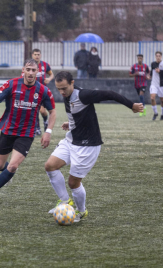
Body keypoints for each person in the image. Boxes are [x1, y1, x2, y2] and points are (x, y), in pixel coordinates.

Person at [45, 71, 143, 222]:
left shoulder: (84, 95)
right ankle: (65, 201)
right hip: (72, 139)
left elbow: (110, 93)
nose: (61, 92)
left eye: (64, 88)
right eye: (58, 89)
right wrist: (70, 124)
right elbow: (78, 114)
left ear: (72, 83)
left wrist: (131, 105)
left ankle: (81, 211)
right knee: (50, 166)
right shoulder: (67, 95)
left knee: (73, 182)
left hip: (88, 145)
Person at [0, 59, 56, 197]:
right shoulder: (12, 84)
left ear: (37, 72)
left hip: (27, 133)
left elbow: (52, 111)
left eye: (33, 70)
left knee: (12, 166)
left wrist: (48, 131)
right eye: (28, 69)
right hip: (8, 129)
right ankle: (8, 173)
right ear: (23, 70)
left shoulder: (43, 90)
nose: (30, 73)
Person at [31, 48, 54, 135]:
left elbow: (51, 74)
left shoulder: (45, 64)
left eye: (38, 54)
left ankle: (45, 121)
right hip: (33, 91)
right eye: (35, 54)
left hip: (43, 91)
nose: (37, 56)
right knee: (35, 109)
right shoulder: (29, 65)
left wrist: (49, 79)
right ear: (32, 55)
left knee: (42, 111)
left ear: (40, 55)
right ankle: (37, 129)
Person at [150, 51, 163, 120]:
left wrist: (160, 71)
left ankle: (162, 114)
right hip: (154, 84)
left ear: (161, 57)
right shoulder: (153, 63)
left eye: (159, 56)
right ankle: (155, 113)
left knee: (162, 100)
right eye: (157, 56)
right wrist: (150, 76)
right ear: (155, 56)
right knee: (152, 98)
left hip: (161, 85)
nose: (158, 57)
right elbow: (152, 70)